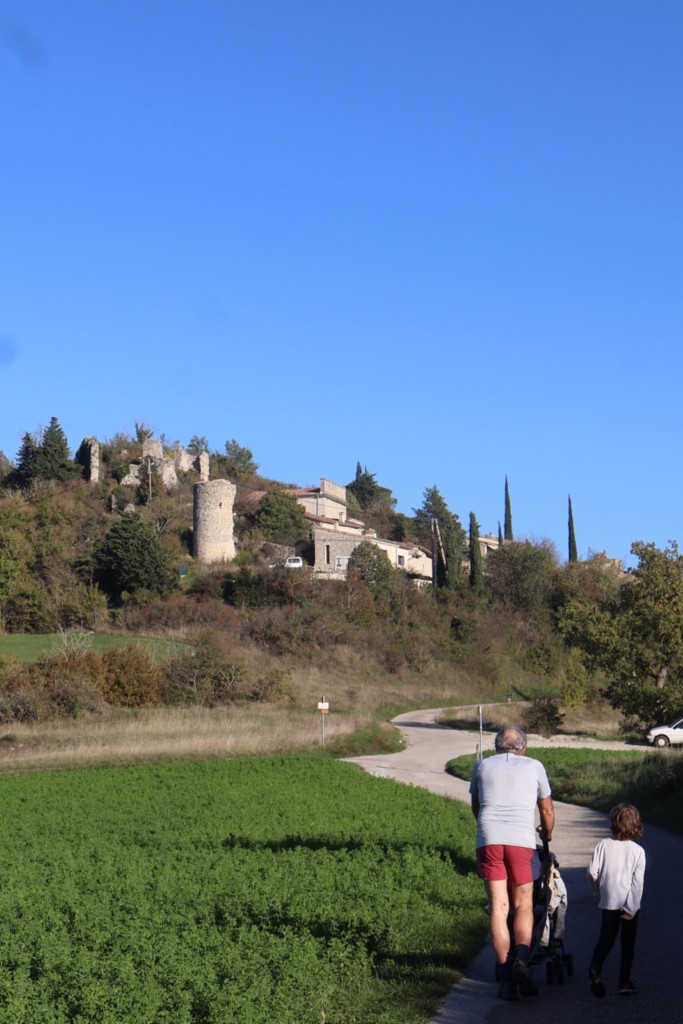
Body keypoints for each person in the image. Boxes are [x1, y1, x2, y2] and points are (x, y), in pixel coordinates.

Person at [469, 725, 555, 1000]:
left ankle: (506, 976)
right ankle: (521, 959)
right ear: (523, 747)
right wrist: (547, 834)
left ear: (497, 747)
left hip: (489, 838)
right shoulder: (535, 766)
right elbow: (546, 810)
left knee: (498, 907)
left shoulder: (482, 766)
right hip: (521, 840)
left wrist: (488, 829)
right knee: (523, 905)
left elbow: (477, 806)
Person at [587, 803, 645, 998]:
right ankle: (624, 983)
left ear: (613, 823)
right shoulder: (638, 851)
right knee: (627, 945)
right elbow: (637, 883)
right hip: (629, 906)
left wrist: (598, 892)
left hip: (609, 903)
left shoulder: (603, 845)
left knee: (605, 941)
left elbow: (592, 873)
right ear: (635, 825)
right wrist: (631, 908)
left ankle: (595, 968)